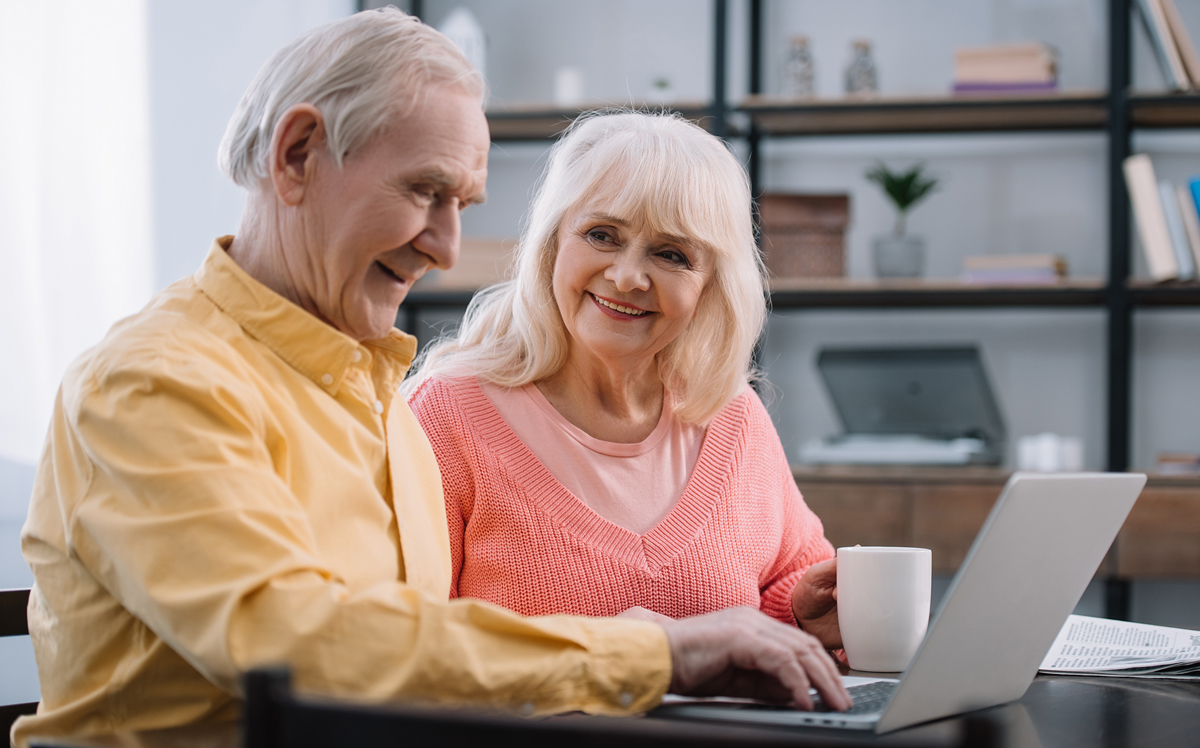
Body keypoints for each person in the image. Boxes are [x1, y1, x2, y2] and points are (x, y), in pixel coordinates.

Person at [14, 10, 848, 747]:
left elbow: (430, 645)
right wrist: (655, 650)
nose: (447, 248)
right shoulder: (154, 386)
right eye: (424, 192)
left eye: (464, 206)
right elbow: (292, 645)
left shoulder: (371, 396)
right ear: (298, 155)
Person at [405, 112, 844, 649]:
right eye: (602, 235)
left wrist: (801, 612)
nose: (627, 276)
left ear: (711, 285)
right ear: (552, 245)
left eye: (671, 254)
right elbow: (409, 649)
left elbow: (784, 585)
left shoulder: (735, 418)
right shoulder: (446, 414)